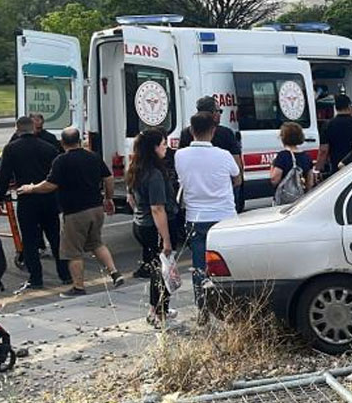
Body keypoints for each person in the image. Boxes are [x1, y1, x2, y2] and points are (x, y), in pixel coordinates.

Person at [15, 127, 124, 297]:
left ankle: (78, 287)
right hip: (96, 208)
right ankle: (115, 274)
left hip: (75, 212)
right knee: (96, 243)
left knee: (73, 252)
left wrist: (31, 188)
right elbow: (109, 178)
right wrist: (108, 198)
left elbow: (50, 185)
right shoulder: (93, 156)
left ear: (63, 143)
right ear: (79, 141)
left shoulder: (62, 161)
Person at [175, 111, 242, 320]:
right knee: (228, 265)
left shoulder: (180, 155)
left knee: (199, 267)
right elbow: (237, 177)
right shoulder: (223, 155)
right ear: (213, 131)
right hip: (224, 217)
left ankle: (202, 310)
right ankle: (228, 307)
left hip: (196, 217)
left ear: (191, 131)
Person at [0, 116, 70, 289]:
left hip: (27, 198)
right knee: (55, 237)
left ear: (17, 129)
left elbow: (4, 174)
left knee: (29, 240)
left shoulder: (11, 149)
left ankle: (36, 278)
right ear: (33, 129)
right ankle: (65, 274)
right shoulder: (49, 148)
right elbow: (58, 174)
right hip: (48, 198)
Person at [126, 129, 178, 328]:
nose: (166, 148)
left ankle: (157, 309)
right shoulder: (155, 174)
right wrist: (165, 238)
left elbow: (132, 199)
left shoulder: (135, 169)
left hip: (140, 225)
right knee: (162, 271)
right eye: (164, 144)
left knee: (157, 269)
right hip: (154, 227)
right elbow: (157, 208)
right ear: (154, 147)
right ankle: (158, 313)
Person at [178, 96, 244, 212]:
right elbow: (237, 168)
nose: (220, 114)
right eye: (219, 111)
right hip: (222, 194)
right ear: (213, 114)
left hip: (195, 194)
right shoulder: (226, 133)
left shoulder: (186, 133)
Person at [319, 94, 352, 174]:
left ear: (336, 108)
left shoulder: (327, 125)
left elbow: (323, 150)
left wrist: (318, 169)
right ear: (349, 106)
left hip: (336, 170)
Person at [272, 121, 316, 192]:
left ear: (283, 137)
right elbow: (310, 183)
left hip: (285, 199)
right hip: (301, 198)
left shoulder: (282, 156)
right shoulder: (306, 157)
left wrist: (272, 166)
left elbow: (274, 180)